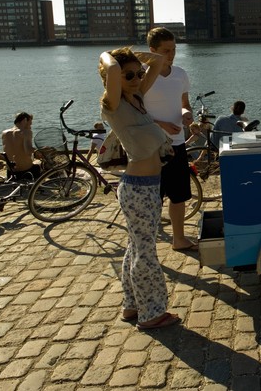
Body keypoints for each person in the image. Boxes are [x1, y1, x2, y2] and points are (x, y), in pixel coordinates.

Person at [99, 46, 181, 330]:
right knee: (146, 252)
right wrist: (108, 55)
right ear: (113, 79)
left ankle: (132, 306)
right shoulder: (112, 104)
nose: (135, 78)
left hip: (145, 186)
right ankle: (152, 313)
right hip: (139, 188)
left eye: (137, 73)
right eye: (128, 75)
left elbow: (158, 61)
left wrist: (133, 54)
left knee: (135, 248)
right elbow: (110, 69)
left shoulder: (135, 98)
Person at [144, 27, 196, 251]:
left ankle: (179, 239)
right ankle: (146, 244)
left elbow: (184, 104)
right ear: (152, 51)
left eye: (174, 49)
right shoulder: (142, 76)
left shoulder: (180, 74)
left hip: (177, 143)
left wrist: (187, 116)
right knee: (151, 198)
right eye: (166, 50)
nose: (172, 54)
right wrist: (161, 124)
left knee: (179, 196)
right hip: (150, 147)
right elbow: (135, 113)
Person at [1, 112, 41, 179]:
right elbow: (28, 150)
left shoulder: (4, 133)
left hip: (11, 173)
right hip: (25, 172)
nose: (30, 127)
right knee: (38, 165)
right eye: (30, 124)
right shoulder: (26, 132)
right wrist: (39, 151)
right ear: (25, 120)